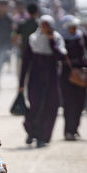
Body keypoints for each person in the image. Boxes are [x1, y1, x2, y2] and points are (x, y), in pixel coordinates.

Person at [19, 15, 66, 147]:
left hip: (52, 79)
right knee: (35, 105)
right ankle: (32, 132)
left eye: (47, 25)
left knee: (50, 107)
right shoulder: (33, 39)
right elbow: (26, 61)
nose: (45, 28)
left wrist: (51, 41)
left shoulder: (57, 39)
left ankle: (42, 137)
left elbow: (60, 56)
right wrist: (21, 83)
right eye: (43, 25)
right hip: (36, 79)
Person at [60, 17, 87, 141]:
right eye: (71, 27)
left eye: (75, 27)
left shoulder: (82, 36)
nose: (73, 30)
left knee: (80, 104)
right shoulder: (61, 39)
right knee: (68, 105)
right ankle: (68, 131)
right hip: (66, 76)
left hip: (81, 74)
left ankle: (74, 129)